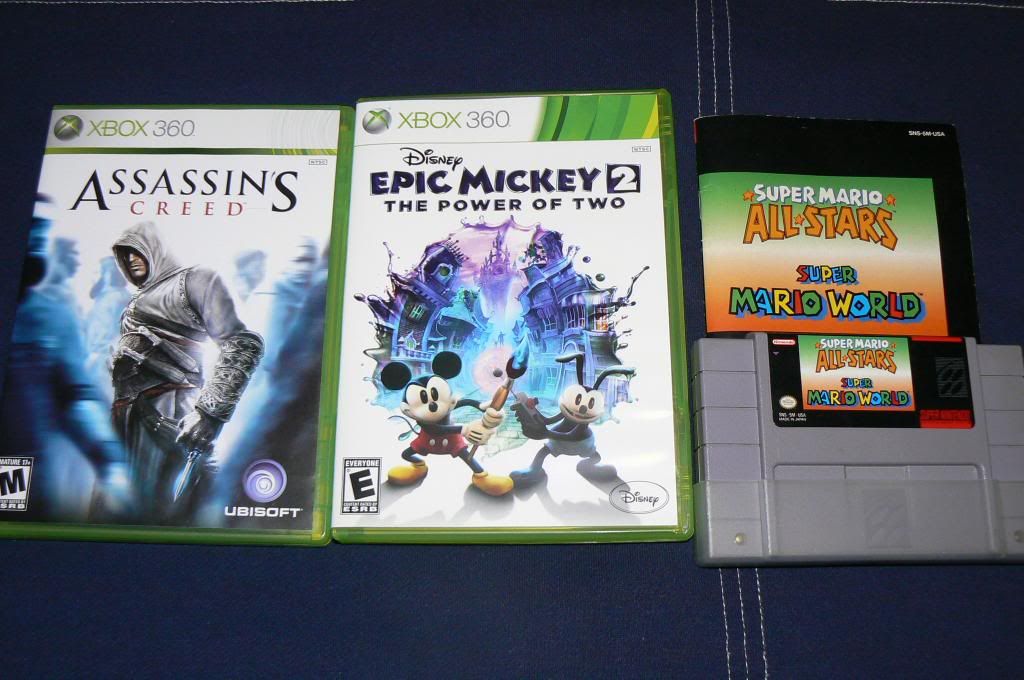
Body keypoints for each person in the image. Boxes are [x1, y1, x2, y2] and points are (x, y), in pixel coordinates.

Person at [109, 221, 263, 521]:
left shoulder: (194, 280)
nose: (131, 259)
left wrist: (208, 414)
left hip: (168, 418)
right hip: (125, 421)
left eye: (137, 251)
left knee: (166, 516)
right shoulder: (136, 301)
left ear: (156, 248)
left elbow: (242, 344)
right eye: (125, 255)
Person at [0, 196, 132, 520]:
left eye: (43, 232)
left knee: (18, 526)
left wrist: (109, 463)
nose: (36, 240)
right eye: (31, 227)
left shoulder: (50, 315)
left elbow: (76, 394)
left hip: (17, 466)